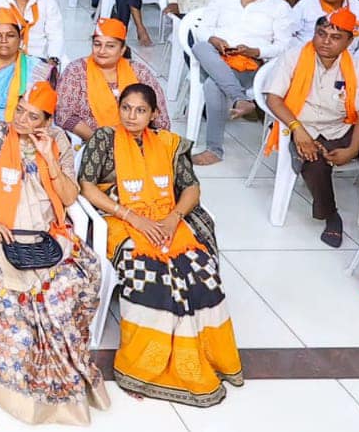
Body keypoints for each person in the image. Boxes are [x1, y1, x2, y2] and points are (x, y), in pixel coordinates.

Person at [0, 82, 110, 425]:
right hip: (0, 237)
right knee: (11, 299)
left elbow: (69, 198)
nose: (21, 119)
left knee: (63, 293)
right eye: (20, 110)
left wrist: (49, 157)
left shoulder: (58, 141)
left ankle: (61, 388)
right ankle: (14, 388)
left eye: (32, 116)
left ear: (47, 121)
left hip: (48, 237)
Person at [78, 82, 243, 406]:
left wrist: (174, 218)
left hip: (169, 219)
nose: (131, 116)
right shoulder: (104, 139)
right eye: (126, 108)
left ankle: (208, 356)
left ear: (153, 114)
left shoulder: (169, 143)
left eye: (140, 110)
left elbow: (191, 188)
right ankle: (142, 369)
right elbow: (87, 186)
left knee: (201, 274)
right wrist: (131, 216)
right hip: (122, 220)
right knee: (150, 277)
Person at [261, 10, 359, 247]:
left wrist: (352, 150)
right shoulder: (293, 57)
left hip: (340, 128)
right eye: (321, 34)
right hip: (299, 126)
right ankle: (331, 216)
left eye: (335, 37)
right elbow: (273, 99)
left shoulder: (358, 70)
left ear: (349, 41)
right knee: (314, 162)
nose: (326, 41)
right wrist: (299, 131)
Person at [191, 0, 295, 164]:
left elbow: (284, 46)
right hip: (215, 55)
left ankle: (214, 150)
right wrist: (214, 39)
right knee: (200, 46)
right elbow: (203, 28)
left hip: (248, 64)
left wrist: (255, 51)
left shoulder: (280, 8)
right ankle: (241, 99)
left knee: (213, 85)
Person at [55, 18, 170, 141]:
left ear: (122, 49)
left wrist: (143, 143)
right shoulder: (76, 71)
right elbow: (64, 115)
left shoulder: (139, 72)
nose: (102, 51)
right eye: (97, 44)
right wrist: (101, 142)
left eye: (110, 46)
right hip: (92, 142)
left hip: (138, 142)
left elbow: (160, 118)